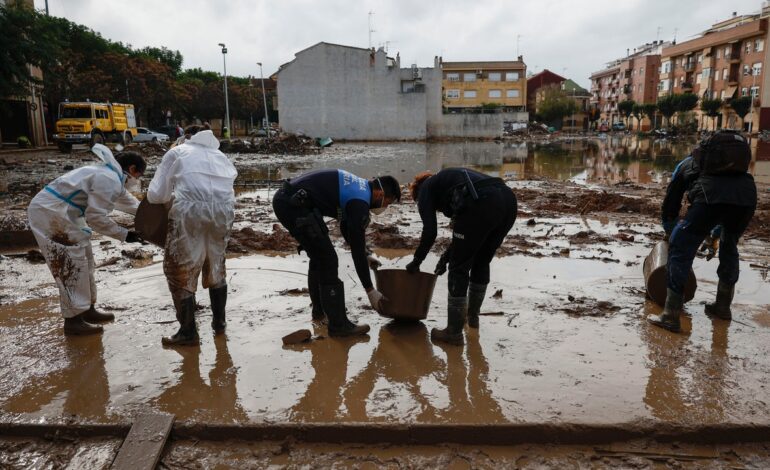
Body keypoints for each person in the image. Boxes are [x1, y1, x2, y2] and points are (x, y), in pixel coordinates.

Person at [27, 144, 145, 335]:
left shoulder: (111, 177)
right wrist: (126, 235)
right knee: (71, 265)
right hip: (50, 213)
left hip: (63, 213)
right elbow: (96, 218)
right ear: (132, 169)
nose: (137, 181)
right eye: (139, 176)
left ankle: (88, 309)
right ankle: (73, 321)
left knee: (87, 260)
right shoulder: (108, 179)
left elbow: (133, 205)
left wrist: (152, 216)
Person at [649, 130, 756, 332]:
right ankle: (722, 307)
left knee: (681, 248)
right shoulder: (734, 168)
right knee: (729, 245)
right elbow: (725, 206)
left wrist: (671, 232)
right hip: (746, 198)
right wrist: (715, 236)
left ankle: (670, 315)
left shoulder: (685, 165)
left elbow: (671, 203)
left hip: (710, 197)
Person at [272, 169, 401, 337]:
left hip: (289, 199)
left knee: (320, 256)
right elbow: (355, 249)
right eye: (387, 202)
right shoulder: (359, 202)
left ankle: (320, 311)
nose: (385, 207)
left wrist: (365, 253)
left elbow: (345, 226)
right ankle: (339, 326)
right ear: (379, 193)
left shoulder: (360, 187)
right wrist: (370, 290)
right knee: (328, 260)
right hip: (292, 205)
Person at [405, 168, 517, 345]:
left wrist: (417, 261)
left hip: (483, 201)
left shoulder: (425, 189)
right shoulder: (451, 183)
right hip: (507, 200)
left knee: (458, 268)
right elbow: (466, 236)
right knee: (481, 259)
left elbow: (430, 232)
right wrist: (445, 257)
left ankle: (453, 332)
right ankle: (472, 319)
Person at [147, 127, 237, 346]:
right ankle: (219, 324)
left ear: (185, 137)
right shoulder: (221, 156)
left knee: (179, 269)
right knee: (216, 264)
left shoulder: (177, 152)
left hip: (189, 211)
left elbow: (155, 196)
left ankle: (188, 332)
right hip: (225, 211)